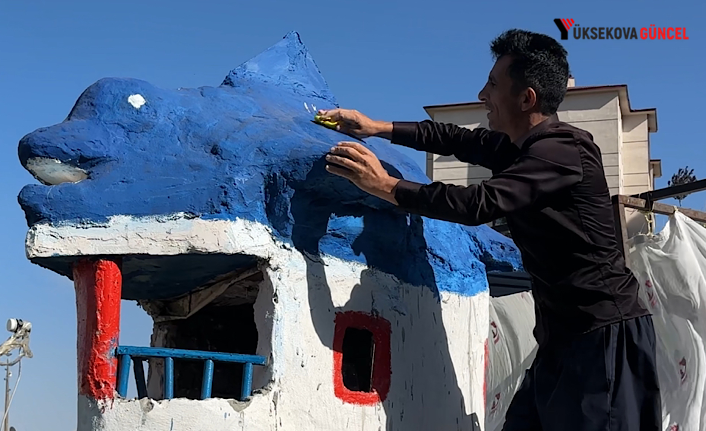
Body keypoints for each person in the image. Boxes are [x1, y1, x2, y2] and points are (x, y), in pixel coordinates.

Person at [318, 29, 661, 431]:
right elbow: (453, 138)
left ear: (526, 98)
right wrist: (376, 127)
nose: (482, 94)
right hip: (561, 341)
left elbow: (477, 204)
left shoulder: (564, 150)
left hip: (603, 339)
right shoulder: (517, 148)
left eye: (493, 84)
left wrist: (385, 186)